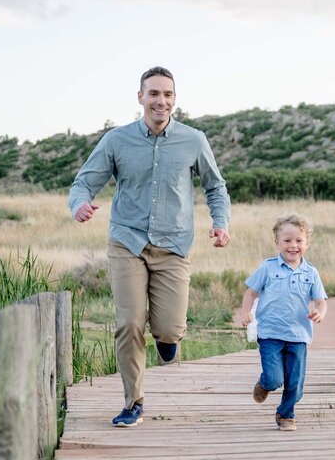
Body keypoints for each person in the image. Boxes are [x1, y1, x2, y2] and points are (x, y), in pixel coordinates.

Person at [69, 66, 231, 428]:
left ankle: (167, 340)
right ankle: (133, 402)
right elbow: (85, 182)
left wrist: (221, 223)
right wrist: (79, 204)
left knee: (170, 330)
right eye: (154, 93)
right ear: (140, 97)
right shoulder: (116, 140)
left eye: (168, 94)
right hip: (127, 241)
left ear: (175, 99)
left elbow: (215, 187)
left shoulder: (193, 140)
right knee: (129, 323)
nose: (161, 100)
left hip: (173, 245)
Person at [232, 214, 328, 431]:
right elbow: (250, 293)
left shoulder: (311, 273)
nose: (293, 245)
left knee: (295, 385)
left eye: (299, 241)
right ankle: (265, 384)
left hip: (298, 335)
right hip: (270, 334)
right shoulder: (268, 268)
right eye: (287, 240)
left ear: (307, 243)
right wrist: (246, 312)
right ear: (277, 243)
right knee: (275, 378)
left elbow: (321, 301)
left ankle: (286, 415)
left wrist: (320, 312)